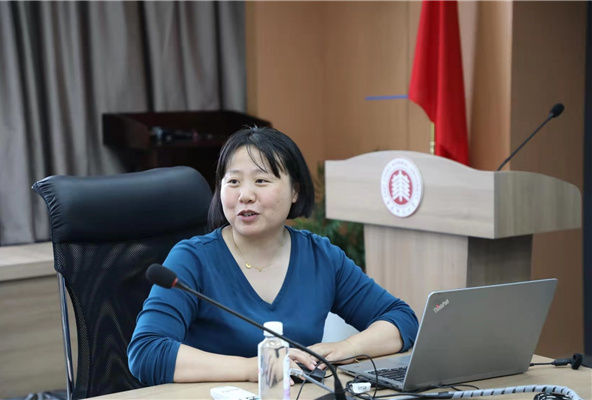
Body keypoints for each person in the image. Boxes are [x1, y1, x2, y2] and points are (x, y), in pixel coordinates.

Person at [128, 126, 419, 386]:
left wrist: (347, 348)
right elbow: (146, 351)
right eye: (233, 182)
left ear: (295, 191)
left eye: (261, 181)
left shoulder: (321, 257)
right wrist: (252, 368)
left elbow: (401, 319)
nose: (245, 195)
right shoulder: (193, 259)